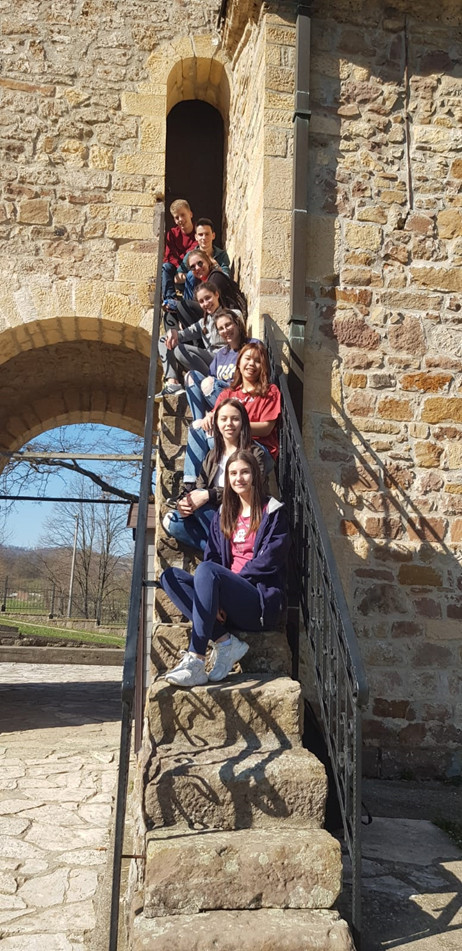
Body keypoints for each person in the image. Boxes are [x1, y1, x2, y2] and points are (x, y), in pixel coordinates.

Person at [160, 449, 290, 687]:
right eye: (233, 473)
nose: (239, 478)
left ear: (255, 476)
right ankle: (225, 641)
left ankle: (196, 661)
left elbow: (269, 562)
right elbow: (214, 555)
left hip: (258, 602)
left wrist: (226, 587)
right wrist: (219, 596)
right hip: (228, 601)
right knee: (170, 577)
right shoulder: (223, 514)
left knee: (207, 570)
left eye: (245, 472)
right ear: (227, 479)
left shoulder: (273, 513)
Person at [163, 399, 267, 552]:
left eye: (235, 419)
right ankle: (223, 551)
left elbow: (252, 489)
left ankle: (221, 552)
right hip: (213, 518)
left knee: (201, 504)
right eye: (223, 419)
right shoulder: (212, 456)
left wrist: (209, 495)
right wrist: (185, 504)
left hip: (240, 516)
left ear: (243, 423)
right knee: (171, 521)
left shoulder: (255, 453)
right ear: (217, 423)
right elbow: (200, 487)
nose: (229, 424)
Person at [178, 341, 280, 489]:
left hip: (259, 449)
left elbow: (266, 428)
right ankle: (190, 486)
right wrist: (208, 418)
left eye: (258, 361)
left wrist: (236, 427)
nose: (252, 364)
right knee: (197, 427)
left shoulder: (270, 391)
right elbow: (215, 417)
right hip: (231, 443)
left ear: (263, 366)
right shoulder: (229, 393)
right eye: (247, 359)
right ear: (238, 363)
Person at [156, 282, 233, 399]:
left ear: (216, 294)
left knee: (180, 350)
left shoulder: (232, 315)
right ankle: (172, 382)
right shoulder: (203, 323)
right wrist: (172, 332)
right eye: (201, 301)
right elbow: (184, 334)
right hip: (210, 361)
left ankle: (210, 381)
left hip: (225, 361)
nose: (206, 303)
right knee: (163, 339)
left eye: (208, 298)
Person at [184, 308, 252, 421]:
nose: (225, 330)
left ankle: (221, 419)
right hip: (218, 400)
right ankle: (198, 423)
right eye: (221, 328)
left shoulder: (252, 346)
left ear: (237, 323)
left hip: (240, 400)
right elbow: (211, 380)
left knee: (209, 384)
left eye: (228, 325)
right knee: (191, 377)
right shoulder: (220, 354)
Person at [173, 248, 247, 331]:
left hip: (229, 320)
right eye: (192, 267)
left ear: (208, 262)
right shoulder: (199, 283)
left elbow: (210, 306)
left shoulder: (216, 277)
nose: (197, 268)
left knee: (184, 306)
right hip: (212, 319)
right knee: (171, 316)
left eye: (200, 263)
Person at [162, 199, 196, 306]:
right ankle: (169, 300)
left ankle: (189, 304)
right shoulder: (172, 234)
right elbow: (169, 256)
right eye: (177, 217)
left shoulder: (198, 232)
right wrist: (178, 270)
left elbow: (194, 253)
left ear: (190, 214)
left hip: (191, 271)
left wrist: (182, 270)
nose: (180, 219)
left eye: (183, 215)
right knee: (166, 267)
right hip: (176, 272)